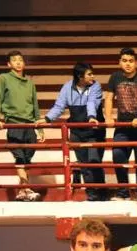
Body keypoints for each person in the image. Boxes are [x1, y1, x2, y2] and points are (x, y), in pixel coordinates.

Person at [37, 62, 106, 201]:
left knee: (94, 161)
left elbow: (92, 102)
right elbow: (59, 106)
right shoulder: (67, 87)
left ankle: (101, 191)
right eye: (89, 74)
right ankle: (92, 195)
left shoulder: (95, 86)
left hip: (94, 130)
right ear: (80, 76)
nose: (93, 76)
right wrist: (47, 118)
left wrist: (92, 117)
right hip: (76, 131)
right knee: (84, 164)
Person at [0, 50, 42, 202]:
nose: (18, 62)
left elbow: (35, 105)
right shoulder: (3, 78)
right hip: (14, 122)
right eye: (14, 60)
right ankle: (26, 188)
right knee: (19, 156)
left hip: (30, 124)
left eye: (20, 60)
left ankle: (22, 191)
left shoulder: (30, 82)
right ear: (9, 64)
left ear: (24, 63)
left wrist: (39, 126)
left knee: (26, 158)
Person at [104, 48, 137, 200]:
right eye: (124, 61)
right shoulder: (115, 77)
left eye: (131, 61)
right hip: (123, 126)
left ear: (136, 63)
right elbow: (108, 98)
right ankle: (123, 192)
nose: (128, 64)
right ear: (120, 62)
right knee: (118, 155)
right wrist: (108, 117)